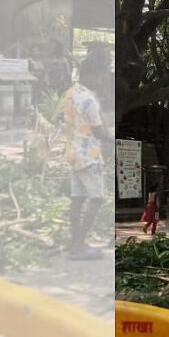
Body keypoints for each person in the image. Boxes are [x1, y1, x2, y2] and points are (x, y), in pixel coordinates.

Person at [60, 57, 111, 260]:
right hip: (89, 156)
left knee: (77, 199)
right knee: (97, 198)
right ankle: (79, 245)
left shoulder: (71, 93)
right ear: (91, 74)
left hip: (73, 153)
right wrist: (112, 139)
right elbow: (98, 130)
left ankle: (74, 243)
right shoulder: (89, 99)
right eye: (101, 76)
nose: (102, 80)